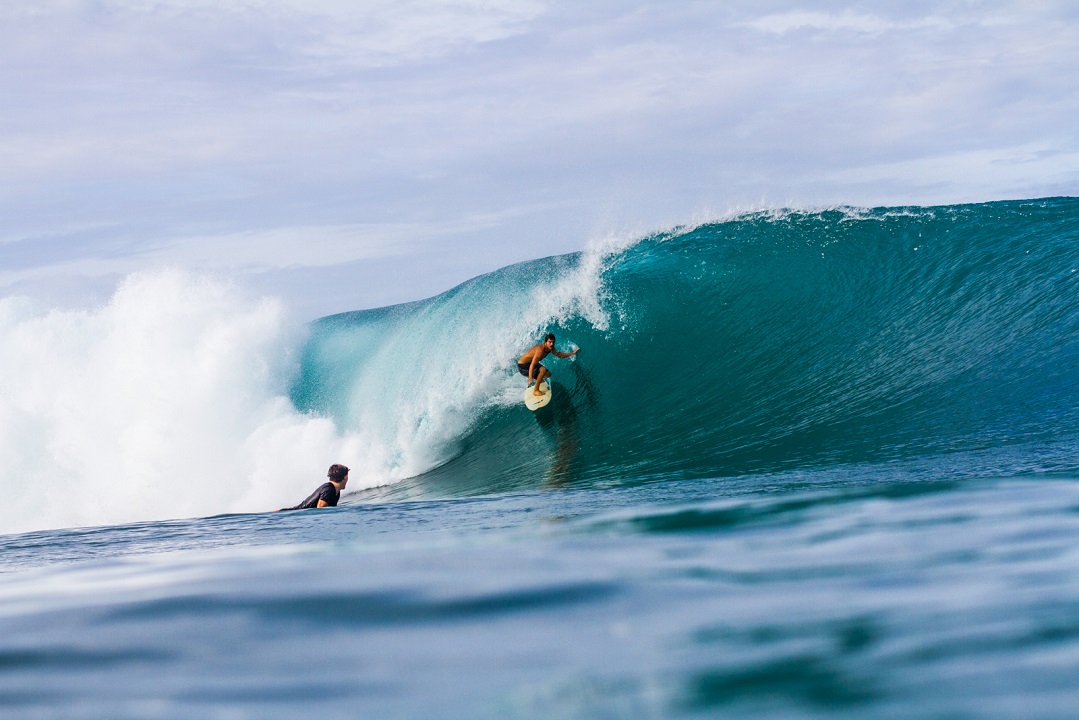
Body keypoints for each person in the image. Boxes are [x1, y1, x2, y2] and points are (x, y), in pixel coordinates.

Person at [278, 464, 350, 511]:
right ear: (345, 477)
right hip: (292, 514)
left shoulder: (336, 491)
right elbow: (320, 512)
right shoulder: (329, 490)